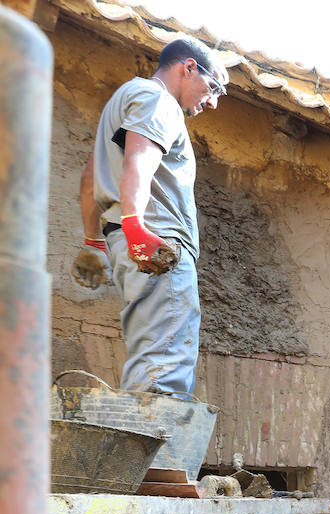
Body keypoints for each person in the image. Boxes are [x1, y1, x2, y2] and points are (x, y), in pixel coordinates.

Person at [73, 37, 227, 395]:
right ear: (188, 68)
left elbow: (91, 177)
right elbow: (138, 161)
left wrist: (95, 241)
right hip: (156, 246)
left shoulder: (125, 98)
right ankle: (151, 451)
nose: (214, 101)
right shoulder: (159, 101)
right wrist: (137, 228)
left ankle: (135, 447)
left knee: (150, 359)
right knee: (163, 373)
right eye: (214, 86)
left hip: (131, 245)